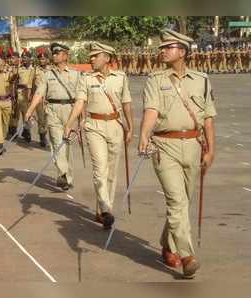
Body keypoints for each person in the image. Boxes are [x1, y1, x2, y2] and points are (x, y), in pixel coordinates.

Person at [138, 29, 217, 279]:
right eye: (162, 48)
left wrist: (211, 150)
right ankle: (187, 256)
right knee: (176, 201)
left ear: (182, 51)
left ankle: (168, 243)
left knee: (184, 202)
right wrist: (143, 135)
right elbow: (151, 110)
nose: (162, 51)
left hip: (194, 145)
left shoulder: (201, 80)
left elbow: (208, 118)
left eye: (168, 47)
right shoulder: (155, 79)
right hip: (164, 146)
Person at [63, 42, 133, 229]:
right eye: (91, 55)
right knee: (100, 168)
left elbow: (126, 103)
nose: (91, 58)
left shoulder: (121, 78)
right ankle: (106, 209)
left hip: (116, 125)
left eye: (95, 55)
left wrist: (131, 127)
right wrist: (69, 124)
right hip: (94, 126)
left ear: (107, 58)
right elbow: (79, 103)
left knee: (111, 171)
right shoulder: (86, 78)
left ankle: (101, 208)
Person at [25, 43, 80, 190]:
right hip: (53, 110)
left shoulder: (75, 74)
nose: (54, 55)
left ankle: (67, 177)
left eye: (57, 53)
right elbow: (39, 93)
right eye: (53, 53)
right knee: (56, 142)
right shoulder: (47, 74)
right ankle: (62, 173)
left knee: (67, 143)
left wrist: (83, 117)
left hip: (70, 109)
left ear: (65, 55)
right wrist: (30, 110)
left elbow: (81, 98)